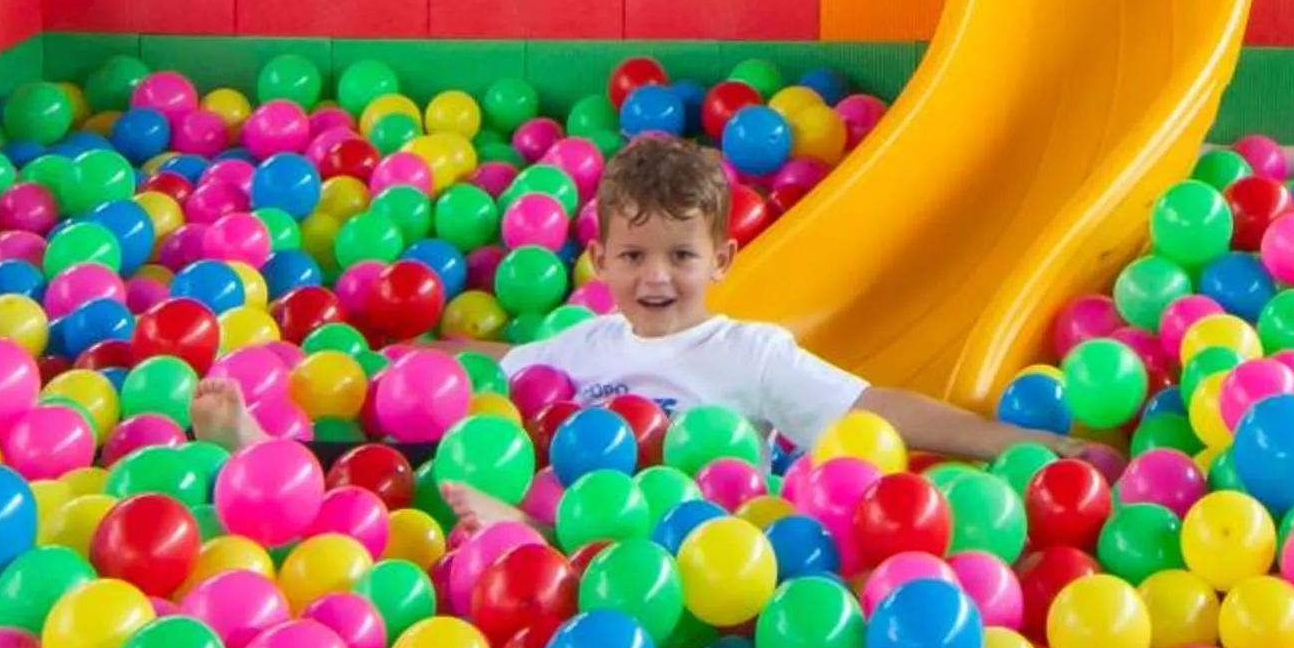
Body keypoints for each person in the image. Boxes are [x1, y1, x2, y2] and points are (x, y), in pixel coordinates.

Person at [194, 135, 1086, 525]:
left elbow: (877, 410)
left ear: (723, 260)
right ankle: (261, 450)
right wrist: (397, 355)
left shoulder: (750, 353)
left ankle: (520, 534)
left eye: (680, 257)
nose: (655, 278)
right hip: (567, 523)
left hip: (691, 540)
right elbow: (488, 368)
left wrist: (1023, 442)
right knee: (409, 476)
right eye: (632, 258)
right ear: (599, 261)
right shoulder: (579, 350)